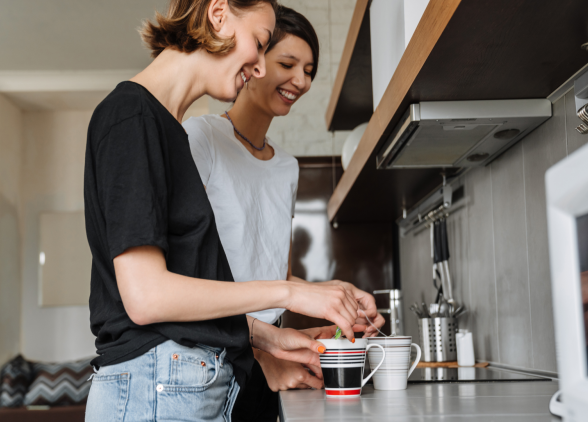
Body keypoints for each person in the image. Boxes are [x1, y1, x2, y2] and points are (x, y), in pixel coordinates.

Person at [83, 1, 372, 421]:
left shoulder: (165, 128)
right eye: (260, 43)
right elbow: (146, 298)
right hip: (156, 384)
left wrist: (271, 339)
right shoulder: (132, 116)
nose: (259, 67)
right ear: (218, 14)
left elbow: (186, 296)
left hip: (177, 381)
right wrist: (290, 292)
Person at [182, 6, 385, 421]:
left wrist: (335, 295)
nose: (302, 81)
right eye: (287, 64)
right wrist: (259, 352)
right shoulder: (200, 139)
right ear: (253, 63)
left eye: (309, 70)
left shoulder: (286, 167)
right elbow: (188, 276)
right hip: (212, 364)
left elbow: (275, 276)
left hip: (268, 366)